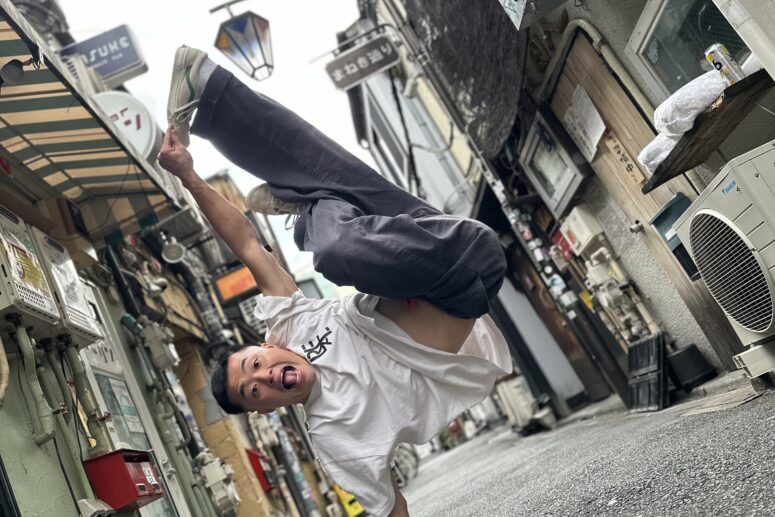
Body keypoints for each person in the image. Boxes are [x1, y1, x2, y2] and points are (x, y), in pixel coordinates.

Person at [158, 45, 512, 517]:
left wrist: (188, 175)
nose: (264, 376)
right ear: (265, 408)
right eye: (254, 390)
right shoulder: (334, 438)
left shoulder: (291, 327)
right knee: (333, 193)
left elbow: (247, 245)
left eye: (256, 364)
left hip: (428, 245)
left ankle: (206, 83)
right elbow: (390, 506)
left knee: (334, 221)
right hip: (465, 282)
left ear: (268, 346)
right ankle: (315, 205)